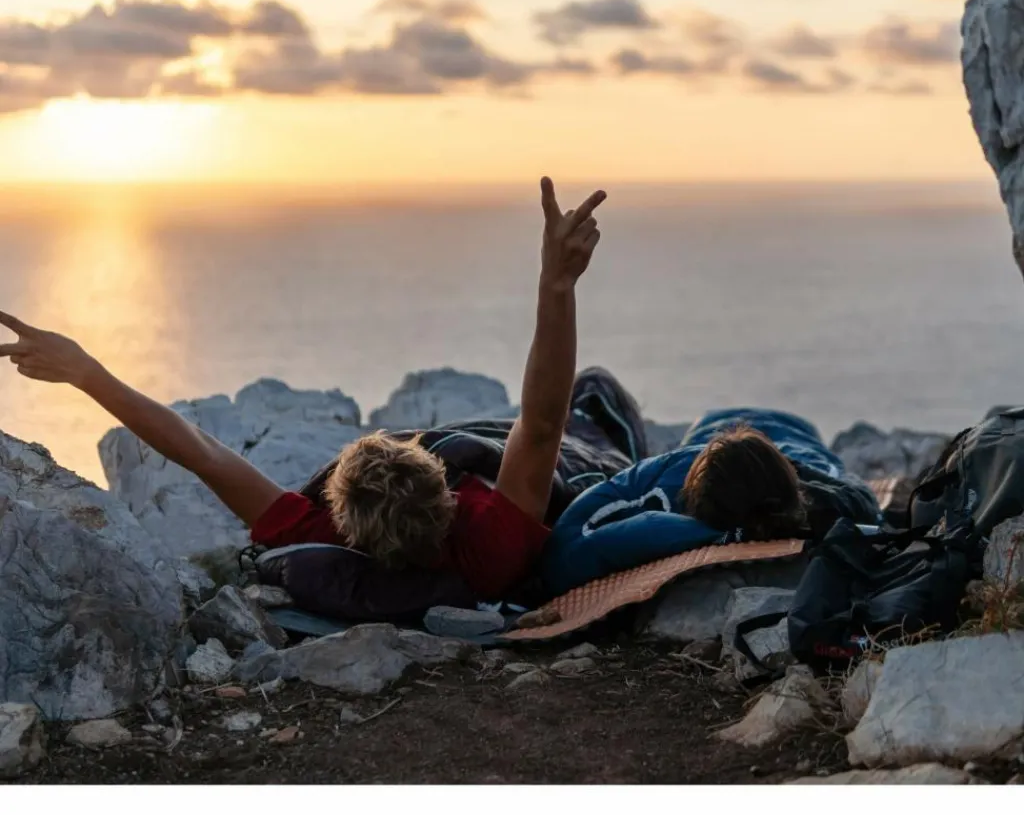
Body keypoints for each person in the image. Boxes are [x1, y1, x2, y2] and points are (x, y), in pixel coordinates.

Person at [0, 177, 606, 609]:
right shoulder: (492, 546)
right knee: (596, 395)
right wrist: (557, 285)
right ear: (446, 491)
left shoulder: (315, 537)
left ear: (345, 522)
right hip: (580, 463)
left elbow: (201, 452)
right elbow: (542, 424)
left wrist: (86, 373)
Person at [539, 407, 881, 597]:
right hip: (716, 435)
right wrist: (726, 535)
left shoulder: (804, 487)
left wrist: (795, 480)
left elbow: (865, 503)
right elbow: (565, 557)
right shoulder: (667, 496)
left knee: (826, 484)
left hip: (794, 441)